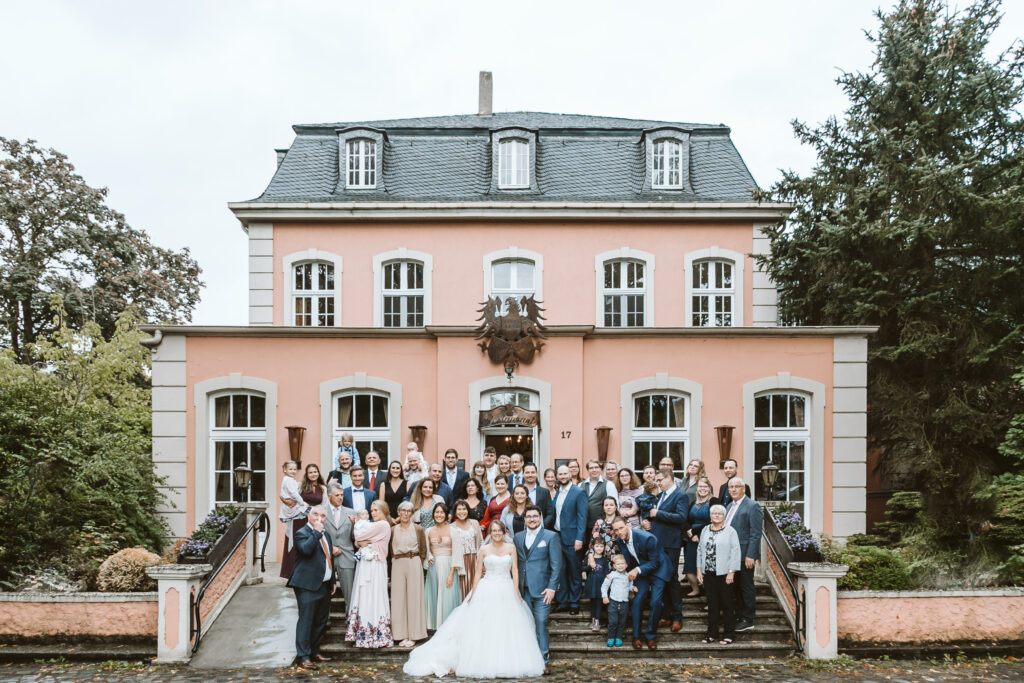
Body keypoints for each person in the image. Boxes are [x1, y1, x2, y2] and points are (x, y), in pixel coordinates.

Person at [404, 519, 546, 678]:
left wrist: (516, 590)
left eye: (499, 530)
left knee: (507, 625)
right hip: (487, 588)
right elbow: (478, 572)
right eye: (494, 530)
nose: (497, 533)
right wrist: (473, 592)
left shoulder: (511, 548)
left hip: (506, 588)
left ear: (503, 532)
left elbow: (515, 570)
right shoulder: (484, 549)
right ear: (490, 533)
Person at [610, 516, 671, 650]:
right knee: (637, 600)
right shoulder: (619, 541)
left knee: (655, 602)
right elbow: (629, 561)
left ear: (628, 525)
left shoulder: (648, 538)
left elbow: (655, 562)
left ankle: (650, 636)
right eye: (616, 530)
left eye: (621, 528)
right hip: (641, 571)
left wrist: (637, 570)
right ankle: (636, 636)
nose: (619, 532)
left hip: (658, 569)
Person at [287, 506, 336, 670]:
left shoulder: (326, 535)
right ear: (308, 516)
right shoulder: (302, 533)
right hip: (307, 585)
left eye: (323, 516)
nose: (319, 518)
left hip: (324, 585)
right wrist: (316, 532)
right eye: (316, 514)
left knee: (320, 621)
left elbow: (329, 558)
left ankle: (314, 651)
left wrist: (332, 580)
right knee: (306, 621)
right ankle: (303, 656)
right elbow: (306, 550)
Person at [514, 506, 561, 675]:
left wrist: (552, 587)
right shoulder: (518, 537)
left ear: (540, 518)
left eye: (535, 516)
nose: (532, 519)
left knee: (541, 622)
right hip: (523, 589)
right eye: (529, 516)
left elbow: (557, 565)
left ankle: (543, 660)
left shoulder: (550, 536)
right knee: (525, 624)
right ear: (524, 519)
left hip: (543, 590)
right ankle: (526, 659)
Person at [643, 470, 690, 633]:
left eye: (660, 480)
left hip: (671, 544)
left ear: (669, 478)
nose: (658, 483)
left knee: (672, 579)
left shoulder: (680, 495)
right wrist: (649, 522)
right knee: (661, 578)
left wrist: (658, 513)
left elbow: (681, 517)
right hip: (658, 543)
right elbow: (658, 518)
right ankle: (666, 615)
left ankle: (677, 617)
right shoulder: (661, 495)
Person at [345, 500, 393, 648]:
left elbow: (359, 537)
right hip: (367, 564)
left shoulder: (382, 525)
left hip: (375, 565)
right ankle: (364, 632)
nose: (373, 513)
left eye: (376, 510)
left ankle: (376, 633)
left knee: (374, 596)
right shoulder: (373, 525)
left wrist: (357, 527)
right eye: (371, 511)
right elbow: (358, 542)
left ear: (384, 510)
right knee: (365, 595)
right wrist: (364, 541)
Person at [697, 504, 741, 645]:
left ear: (724, 516)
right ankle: (712, 634)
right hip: (708, 573)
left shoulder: (730, 531)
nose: (716, 515)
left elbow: (735, 552)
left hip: (724, 573)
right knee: (712, 605)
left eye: (719, 513)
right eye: (714, 513)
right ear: (710, 516)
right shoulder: (705, 530)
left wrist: (731, 572)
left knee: (727, 604)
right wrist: (699, 570)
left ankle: (729, 634)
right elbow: (699, 550)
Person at [724, 477, 762, 633]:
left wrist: (751, 555)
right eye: (731, 487)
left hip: (745, 555)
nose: (733, 489)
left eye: (736, 486)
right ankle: (740, 616)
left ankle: (748, 619)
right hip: (731, 555)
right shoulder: (728, 506)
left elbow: (756, 533)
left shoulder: (752, 506)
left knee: (746, 587)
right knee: (736, 588)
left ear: (743, 489)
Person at [390, 501, 428, 648]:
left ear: (412, 514)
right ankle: (401, 634)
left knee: (414, 598)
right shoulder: (392, 529)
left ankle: (414, 635)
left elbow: (423, 549)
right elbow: (390, 549)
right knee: (398, 599)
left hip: (414, 561)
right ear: (398, 512)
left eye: (408, 511)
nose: (405, 513)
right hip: (397, 562)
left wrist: (419, 562)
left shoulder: (418, 529)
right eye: (403, 510)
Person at [281, 463, 327, 579]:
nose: (313, 474)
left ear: (318, 473)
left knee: (313, 545)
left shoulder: (323, 488)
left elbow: (325, 507)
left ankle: (311, 575)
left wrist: (320, 520)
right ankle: (293, 575)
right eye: (310, 472)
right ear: (306, 474)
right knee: (297, 546)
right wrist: (285, 501)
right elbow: (286, 495)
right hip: (299, 520)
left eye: (315, 472)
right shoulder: (300, 486)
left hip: (315, 521)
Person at [552, 464, 587, 615]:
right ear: (557, 476)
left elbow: (582, 517)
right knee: (561, 571)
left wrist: (579, 538)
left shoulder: (579, 492)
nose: (563, 476)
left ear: (570, 474)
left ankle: (574, 603)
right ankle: (562, 602)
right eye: (560, 474)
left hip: (573, 539)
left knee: (574, 572)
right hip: (558, 537)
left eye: (565, 473)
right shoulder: (558, 493)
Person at [424, 503, 464, 630]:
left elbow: (457, 552)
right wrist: (429, 557)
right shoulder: (428, 531)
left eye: (442, 512)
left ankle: (448, 627)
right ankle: (434, 626)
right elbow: (426, 549)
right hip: (434, 566)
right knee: (433, 594)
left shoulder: (453, 531)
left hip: (448, 565)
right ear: (433, 514)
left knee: (448, 596)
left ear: (447, 515)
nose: (439, 515)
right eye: (437, 512)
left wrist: (451, 573)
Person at [321, 483, 356, 609]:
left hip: (346, 557)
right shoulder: (321, 512)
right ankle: (324, 619)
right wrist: (329, 547)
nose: (340, 497)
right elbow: (317, 534)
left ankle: (350, 619)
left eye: (342, 495)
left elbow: (355, 538)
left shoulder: (351, 512)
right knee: (323, 595)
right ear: (329, 496)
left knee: (350, 595)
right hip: (325, 557)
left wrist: (355, 525)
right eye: (337, 495)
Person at [684, 477, 716, 597]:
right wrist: (690, 532)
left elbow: (713, 520)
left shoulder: (714, 501)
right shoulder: (693, 503)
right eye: (700, 486)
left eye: (705, 486)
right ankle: (696, 589)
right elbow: (686, 520)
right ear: (697, 488)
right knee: (689, 568)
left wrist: (696, 532)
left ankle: (709, 595)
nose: (702, 489)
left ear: (709, 488)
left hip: (708, 536)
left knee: (706, 567)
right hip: (692, 538)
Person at [450, 500, 484, 599]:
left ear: (468, 510)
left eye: (464, 509)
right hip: (460, 562)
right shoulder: (451, 527)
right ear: (455, 512)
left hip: (474, 560)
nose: (462, 512)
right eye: (459, 509)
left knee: (476, 587)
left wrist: (482, 561)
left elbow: (481, 542)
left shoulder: (474, 523)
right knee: (462, 588)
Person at [601, 553, 635, 648]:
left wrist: (633, 588)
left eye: (622, 563)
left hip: (624, 602)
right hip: (613, 602)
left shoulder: (629, 576)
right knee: (613, 621)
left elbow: (629, 586)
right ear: (614, 566)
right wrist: (605, 596)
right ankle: (611, 637)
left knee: (622, 622)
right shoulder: (611, 575)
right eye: (618, 564)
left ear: (626, 565)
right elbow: (604, 586)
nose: (620, 566)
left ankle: (618, 637)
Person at [279, 460, 310, 551]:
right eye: (290, 469)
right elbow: (294, 493)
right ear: (285, 470)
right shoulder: (288, 480)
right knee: (306, 508)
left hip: (290, 504)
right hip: (291, 505)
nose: (293, 471)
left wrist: (299, 484)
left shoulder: (288, 479)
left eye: (294, 469)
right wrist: (302, 503)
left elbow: (293, 488)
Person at [582, 459, 618, 533]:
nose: (594, 470)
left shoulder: (609, 484)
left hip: (602, 525)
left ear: (600, 469)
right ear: (588, 470)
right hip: (584, 525)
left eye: (596, 467)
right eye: (591, 468)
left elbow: (614, 505)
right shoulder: (580, 485)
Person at [583, 537, 610, 631]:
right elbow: (583, 568)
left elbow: (606, 571)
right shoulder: (589, 557)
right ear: (593, 547)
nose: (599, 548)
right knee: (592, 601)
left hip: (601, 583)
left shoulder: (604, 559)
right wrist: (590, 567)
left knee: (599, 602)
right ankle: (593, 620)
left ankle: (597, 622)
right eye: (597, 546)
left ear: (604, 547)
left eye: (601, 546)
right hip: (592, 582)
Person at [522, 463, 555, 529]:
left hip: (541, 530)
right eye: (527, 472)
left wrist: (541, 526)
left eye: (533, 472)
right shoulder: (517, 491)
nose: (530, 475)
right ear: (523, 474)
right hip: (521, 530)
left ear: (536, 474)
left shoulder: (544, 492)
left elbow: (550, 514)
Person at [378, 460, 408, 525]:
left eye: (398, 468)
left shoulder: (407, 484)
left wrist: (400, 518)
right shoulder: (383, 484)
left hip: (404, 516)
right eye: (393, 468)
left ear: (401, 470)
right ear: (389, 470)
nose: (395, 470)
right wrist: (389, 518)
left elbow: (409, 503)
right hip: (387, 518)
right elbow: (381, 504)